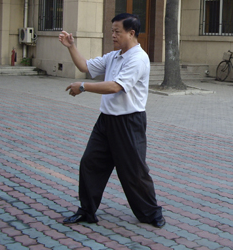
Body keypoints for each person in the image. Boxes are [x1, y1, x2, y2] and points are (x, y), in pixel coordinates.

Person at [58, 13, 165, 228]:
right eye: (112, 31)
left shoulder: (138, 58)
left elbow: (116, 86)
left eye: (117, 31)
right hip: (106, 121)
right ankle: (87, 211)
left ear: (131, 33)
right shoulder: (114, 56)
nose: (113, 35)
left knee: (134, 172)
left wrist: (83, 87)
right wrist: (71, 46)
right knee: (90, 163)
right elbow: (85, 67)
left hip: (129, 123)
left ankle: (152, 213)